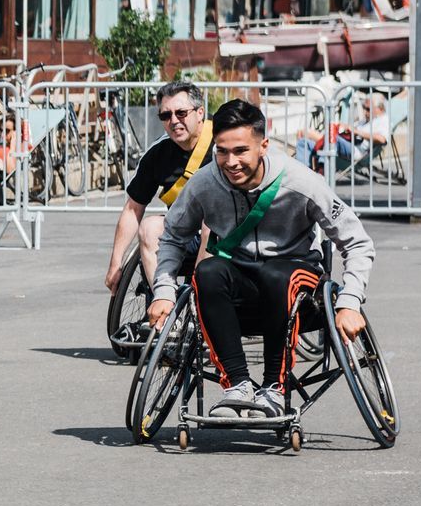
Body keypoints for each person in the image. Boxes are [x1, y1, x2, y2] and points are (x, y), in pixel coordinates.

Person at [148, 100, 375, 419]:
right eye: (222, 151)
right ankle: (237, 387)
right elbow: (173, 236)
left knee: (276, 275)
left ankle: (273, 388)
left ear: (263, 146)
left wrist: (350, 300)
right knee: (208, 271)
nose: (231, 161)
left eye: (241, 150)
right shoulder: (204, 184)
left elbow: (357, 241)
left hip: (298, 286)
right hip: (239, 285)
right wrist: (163, 292)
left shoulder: (301, 182)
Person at [104, 82, 214, 296]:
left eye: (181, 113)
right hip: (185, 233)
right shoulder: (158, 153)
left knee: (211, 225)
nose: (174, 121)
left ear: (200, 112)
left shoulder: (223, 144)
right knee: (149, 227)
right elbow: (133, 208)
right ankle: (164, 305)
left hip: (224, 233)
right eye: (166, 115)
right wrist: (116, 263)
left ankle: (200, 299)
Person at [293, 93, 389, 172]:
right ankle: (304, 173)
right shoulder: (366, 120)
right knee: (303, 143)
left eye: (368, 109)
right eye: (364, 108)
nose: (365, 112)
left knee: (333, 138)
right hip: (345, 144)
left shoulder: (383, 120)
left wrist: (356, 131)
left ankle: (322, 170)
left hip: (356, 150)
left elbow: (382, 139)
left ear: (380, 109)